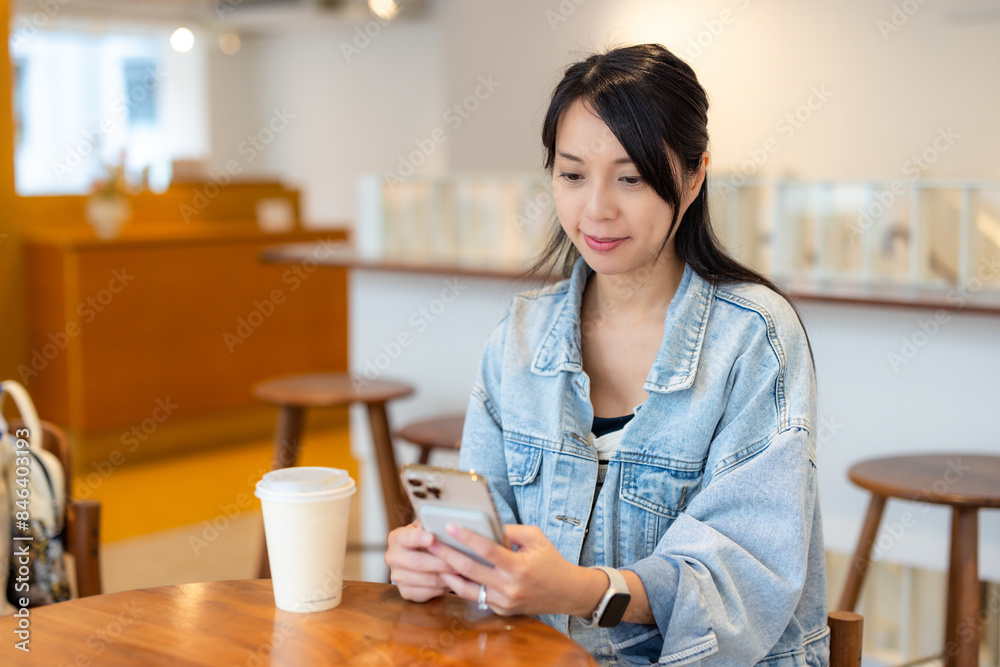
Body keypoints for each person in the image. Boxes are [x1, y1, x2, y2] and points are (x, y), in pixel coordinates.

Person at [385, 43, 828, 666]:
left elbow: (745, 578)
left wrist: (581, 592)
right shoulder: (520, 336)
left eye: (632, 178)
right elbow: (489, 539)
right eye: (572, 175)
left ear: (695, 175)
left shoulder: (752, 336)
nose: (596, 209)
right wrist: (438, 563)